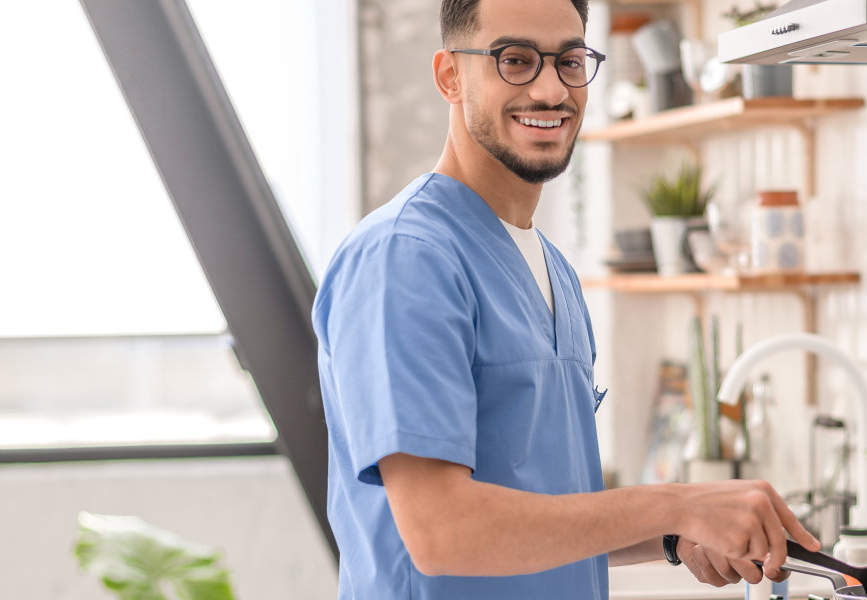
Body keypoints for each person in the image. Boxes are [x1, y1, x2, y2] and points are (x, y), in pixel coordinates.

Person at [311, 0, 819, 597]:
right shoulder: (405, 259)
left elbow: (544, 508)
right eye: (516, 60)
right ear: (450, 75)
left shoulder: (554, 271)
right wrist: (675, 503)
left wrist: (671, 536)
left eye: (570, 61)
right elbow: (441, 530)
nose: (551, 90)